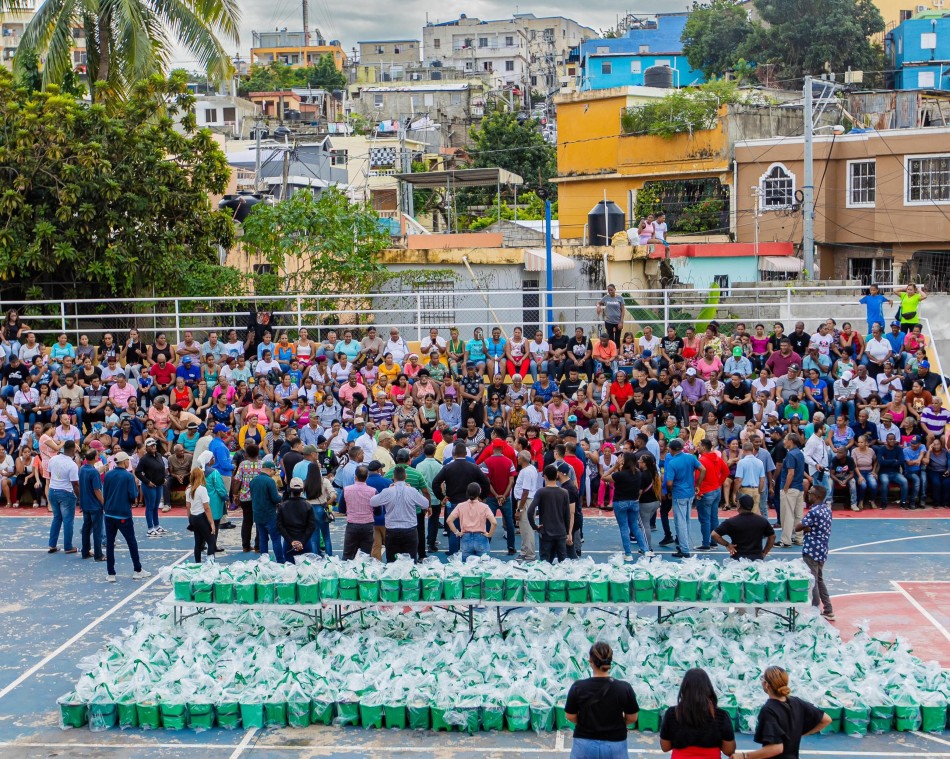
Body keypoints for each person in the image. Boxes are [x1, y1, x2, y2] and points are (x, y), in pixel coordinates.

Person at [564, 642, 638, 759]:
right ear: (610, 661)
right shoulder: (624, 688)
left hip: (584, 743)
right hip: (615, 744)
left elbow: (570, 716)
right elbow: (632, 718)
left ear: (590, 661)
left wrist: (585, 723)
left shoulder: (578, 687)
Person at [738, 667, 831, 759]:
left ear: (766, 685)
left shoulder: (769, 710)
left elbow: (776, 748)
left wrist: (744, 756)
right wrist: (801, 734)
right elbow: (826, 719)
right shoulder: (797, 702)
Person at [660, 668, 736, 759]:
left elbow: (665, 747)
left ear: (684, 688)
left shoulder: (672, 714)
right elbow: (729, 751)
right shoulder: (721, 716)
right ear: (708, 688)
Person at [103, 451, 150, 582]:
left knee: (110, 543)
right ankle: (137, 570)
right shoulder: (128, 476)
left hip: (109, 514)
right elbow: (133, 495)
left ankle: (111, 574)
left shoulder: (108, 475)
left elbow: (105, 493)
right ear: (124, 462)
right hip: (123, 514)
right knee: (131, 542)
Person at [370, 465, 430, 562]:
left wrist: (386, 491)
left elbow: (372, 502)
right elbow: (425, 504)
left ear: (393, 477)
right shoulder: (412, 491)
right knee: (411, 561)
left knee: (392, 562)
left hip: (392, 530)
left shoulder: (388, 491)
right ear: (405, 476)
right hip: (409, 529)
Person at [600, 451, 651, 561]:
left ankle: (628, 554)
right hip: (634, 502)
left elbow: (603, 477)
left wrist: (615, 466)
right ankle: (645, 550)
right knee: (635, 526)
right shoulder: (638, 473)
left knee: (624, 528)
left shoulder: (620, 475)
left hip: (620, 502)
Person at [795, 484, 834, 620]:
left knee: (813, 581)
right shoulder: (827, 510)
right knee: (819, 579)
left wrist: (806, 528)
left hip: (811, 550)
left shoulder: (814, 512)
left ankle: (815, 610)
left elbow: (798, 527)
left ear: (816, 496)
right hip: (822, 550)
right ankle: (828, 609)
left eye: (810, 493)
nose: (808, 494)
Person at [664, 438, 705, 559]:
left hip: (679, 493)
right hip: (689, 492)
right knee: (686, 520)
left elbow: (669, 483)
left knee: (680, 522)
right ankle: (684, 545)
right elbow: (703, 469)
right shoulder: (690, 457)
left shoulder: (672, 462)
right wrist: (698, 485)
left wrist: (670, 492)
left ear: (671, 449)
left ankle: (684, 549)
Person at [528, 463, 574, 562]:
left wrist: (534, 526)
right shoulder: (564, 492)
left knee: (545, 562)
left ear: (545, 476)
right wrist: (567, 532)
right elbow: (567, 515)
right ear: (556, 475)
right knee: (562, 562)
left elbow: (530, 511)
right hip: (561, 532)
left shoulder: (541, 492)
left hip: (546, 533)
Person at [712, 494, 775, 560]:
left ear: (739, 505)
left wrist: (727, 544)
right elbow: (772, 537)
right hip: (757, 559)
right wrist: (764, 552)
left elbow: (714, 535)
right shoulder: (762, 521)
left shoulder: (731, 522)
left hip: (738, 559)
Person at [446, 481, 498, 561]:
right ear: (479, 492)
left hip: (466, 538)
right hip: (481, 537)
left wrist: (457, 532)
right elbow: (494, 522)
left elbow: (449, 520)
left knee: (467, 565)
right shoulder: (484, 507)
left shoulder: (460, 506)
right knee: (484, 564)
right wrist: (489, 534)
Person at [47, 439, 80, 554]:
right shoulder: (72, 465)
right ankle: (68, 546)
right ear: (73, 450)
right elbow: (75, 484)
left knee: (57, 518)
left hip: (52, 491)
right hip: (66, 493)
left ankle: (52, 545)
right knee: (68, 520)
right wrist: (80, 498)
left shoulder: (53, 459)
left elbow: (50, 474)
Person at [250, 456, 284, 563]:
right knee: (276, 539)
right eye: (274, 471)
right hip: (270, 514)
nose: (274, 473)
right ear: (270, 469)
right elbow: (275, 499)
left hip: (257, 515)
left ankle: (264, 561)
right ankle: (280, 561)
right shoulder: (270, 481)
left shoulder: (253, 481)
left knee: (263, 539)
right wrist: (281, 496)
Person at [277, 477, 317, 564]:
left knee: (289, 569)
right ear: (302, 490)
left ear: (290, 489)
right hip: (305, 541)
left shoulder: (282, 506)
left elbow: (279, 525)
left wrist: (291, 541)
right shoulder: (308, 506)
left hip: (289, 541)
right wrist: (302, 541)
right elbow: (311, 526)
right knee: (306, 569)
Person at [342, 465, 376, 559]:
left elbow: (341, 508)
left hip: (352, 524)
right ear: (367, 477)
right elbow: (378, 510)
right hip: (367, 525)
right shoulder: (373, 491)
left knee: (348, 555)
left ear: (355, 476)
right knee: (366, 556)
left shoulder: (346, 489)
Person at [777, 434, 805, 548]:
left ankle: (786, 540)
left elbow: (791, 473)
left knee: (787, 515)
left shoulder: (790, 454)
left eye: (785, 439)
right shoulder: (800, 453)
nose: (784, 442)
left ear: (791, 441)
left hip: (790, 488)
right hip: (799, 488)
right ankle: (799, 538)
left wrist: (785, 488)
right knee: (798, 515)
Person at [78, 448, 105, 561]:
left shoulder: (82, 469)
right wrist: (103, 502)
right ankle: (98, 555)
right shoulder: (93, 472)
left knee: (86, 528)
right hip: (94, 505)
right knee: (97, 530)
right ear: (95, 458)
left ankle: (85, 551)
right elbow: (97, 490)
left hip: (85, 504)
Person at [186, 466, 216, 564]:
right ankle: (210, 563)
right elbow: (206, 508)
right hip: (201, 517)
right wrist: (211, 522)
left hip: (193, 517)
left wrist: (190, 520)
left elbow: (187, 506)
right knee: (211, 541)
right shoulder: (202, 489)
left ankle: (197, 563)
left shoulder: (188, 489)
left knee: (198, 542)